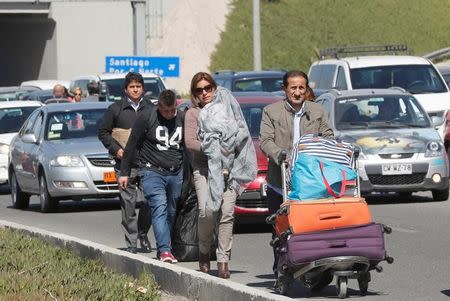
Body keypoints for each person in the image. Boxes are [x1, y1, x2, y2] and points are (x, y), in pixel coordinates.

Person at [259, 70, 334, 279]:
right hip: (279, 181)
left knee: (310, 227)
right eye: (293, 88)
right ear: (285, 89)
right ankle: (281, 267)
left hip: (310, 182)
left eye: (302, 88)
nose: (298, 92)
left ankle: (314, 266)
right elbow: (265, 141)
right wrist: (281, 156)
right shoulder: (271, 112)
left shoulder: (317, 111)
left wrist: (326, 149)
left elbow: (328, 136)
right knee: (281, 229)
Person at [185, 72, 256, 278]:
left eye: (208, 88)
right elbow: (190, 142)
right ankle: (204, 251)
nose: (205, 92)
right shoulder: (193, 114)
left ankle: (223, 259)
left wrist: (229, 144)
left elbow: (240, 131)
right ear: (195, 93)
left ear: (214, 88)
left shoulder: (227, 109)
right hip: (205, 169)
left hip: (229, 169)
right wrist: (213, 147)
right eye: (200, 90)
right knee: (207, 211)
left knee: (227, 213)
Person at [119, 89, 184, 263]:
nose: (169, 114)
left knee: (171, 211)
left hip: (175, 172)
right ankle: (164, 251)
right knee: (159, 206)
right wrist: (124, 172)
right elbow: (132, 144)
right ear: (158, 106)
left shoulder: (182, 118)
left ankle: (167, 246)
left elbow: (187, 147)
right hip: (151, 171)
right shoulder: (147, 117)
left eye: (172, 110)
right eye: (165, 111)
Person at [98, 72, 152, 254]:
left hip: (147, 164)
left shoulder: (150, 108)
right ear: (126, 89)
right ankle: (131, 243)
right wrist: (117, 149)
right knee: (128, 206)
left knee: (150, 201)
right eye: (132, 87)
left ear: (143, 88)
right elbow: (103, 132)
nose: (135, 89)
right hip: (124, 166)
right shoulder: (116, 109)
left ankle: (143, 233)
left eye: (138, 86)